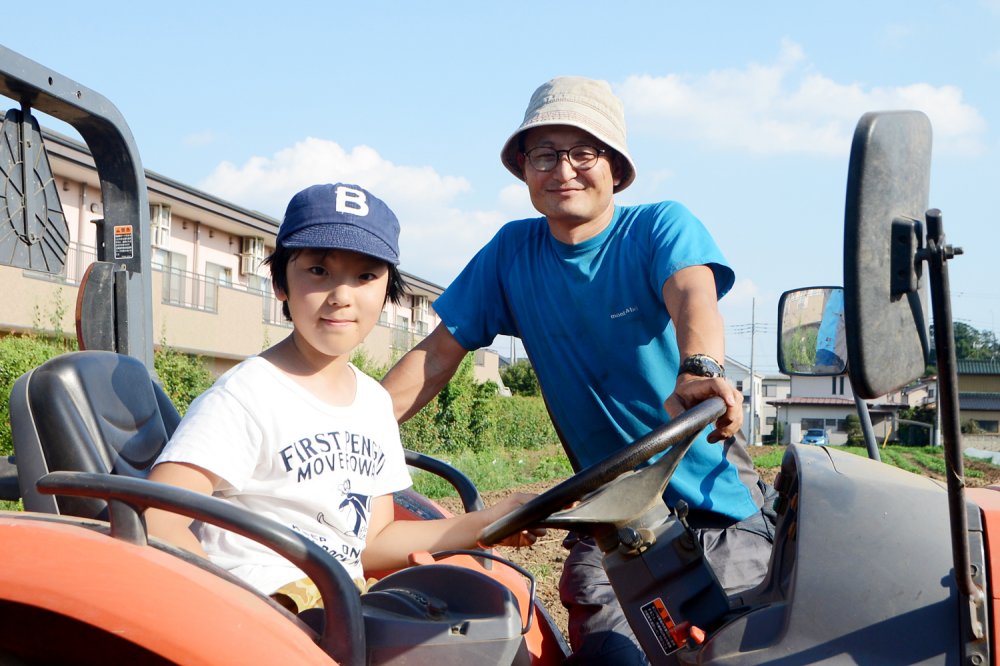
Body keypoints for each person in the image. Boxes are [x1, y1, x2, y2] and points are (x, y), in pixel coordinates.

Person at [381, 77, 776, 664]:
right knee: (607, 654)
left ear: (614, 166)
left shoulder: (657, 228)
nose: (563, 169)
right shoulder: (511, 254)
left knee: (750, 647)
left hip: (717, 511)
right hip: (610, 524)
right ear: (525, 171)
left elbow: (693, 294)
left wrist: (698, 369)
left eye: (582, 152)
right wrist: (344, 427)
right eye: (544, 154)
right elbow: (436, 357)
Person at [145, 183, 539, 613]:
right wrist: (242, 615)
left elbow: (374, 543)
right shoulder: (245, 395)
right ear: (280, 283)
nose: (341, 296)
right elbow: (159, 519)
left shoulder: (371, 403)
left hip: (338, 603)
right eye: (318, 271)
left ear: (387, 292)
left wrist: (486, 523)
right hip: (268, 607)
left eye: (365, 276)